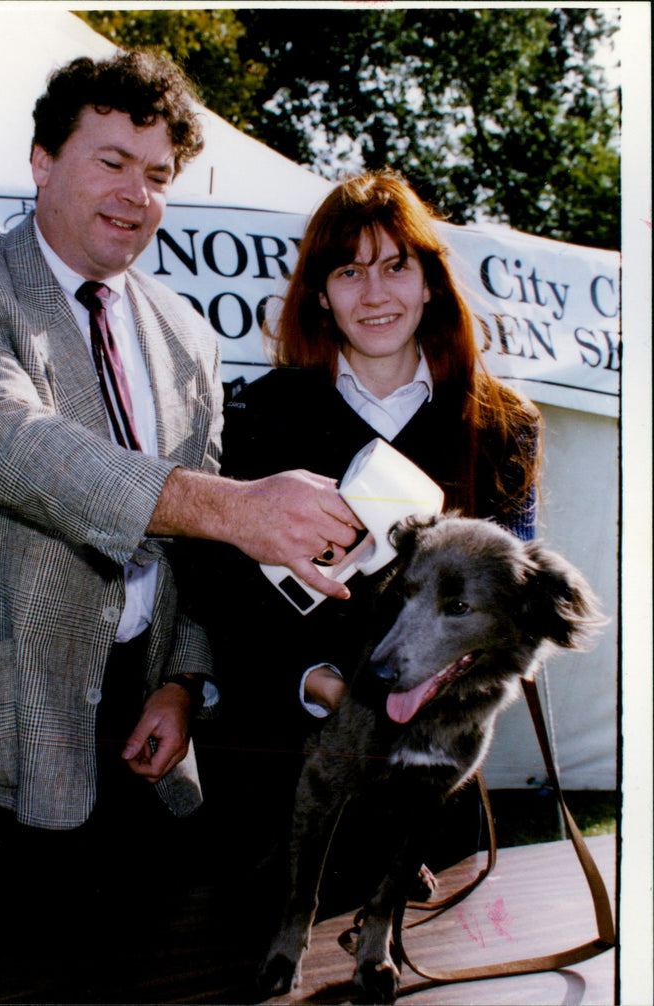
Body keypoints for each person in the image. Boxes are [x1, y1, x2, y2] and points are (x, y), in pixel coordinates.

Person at [0, 50, 361, 994]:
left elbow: (189, 548)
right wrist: (237, 508)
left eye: (157, 176)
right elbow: (11, 445)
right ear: (40, 161)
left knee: (153, 970)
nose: (136, 195)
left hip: (140, 736)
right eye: (111, 161)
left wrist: (186, 679)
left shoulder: (187, 331)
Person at [187, 170, 541, 877]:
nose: (374, 294)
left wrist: (437, 696)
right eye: (349, 271)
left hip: (431, 795)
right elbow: (216, 592)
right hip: (279, 790)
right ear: (320, 293)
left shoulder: (504, 426)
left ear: (430, 282)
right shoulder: (256, 418)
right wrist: (320, 683)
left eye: (394, 267)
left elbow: (516, 612)